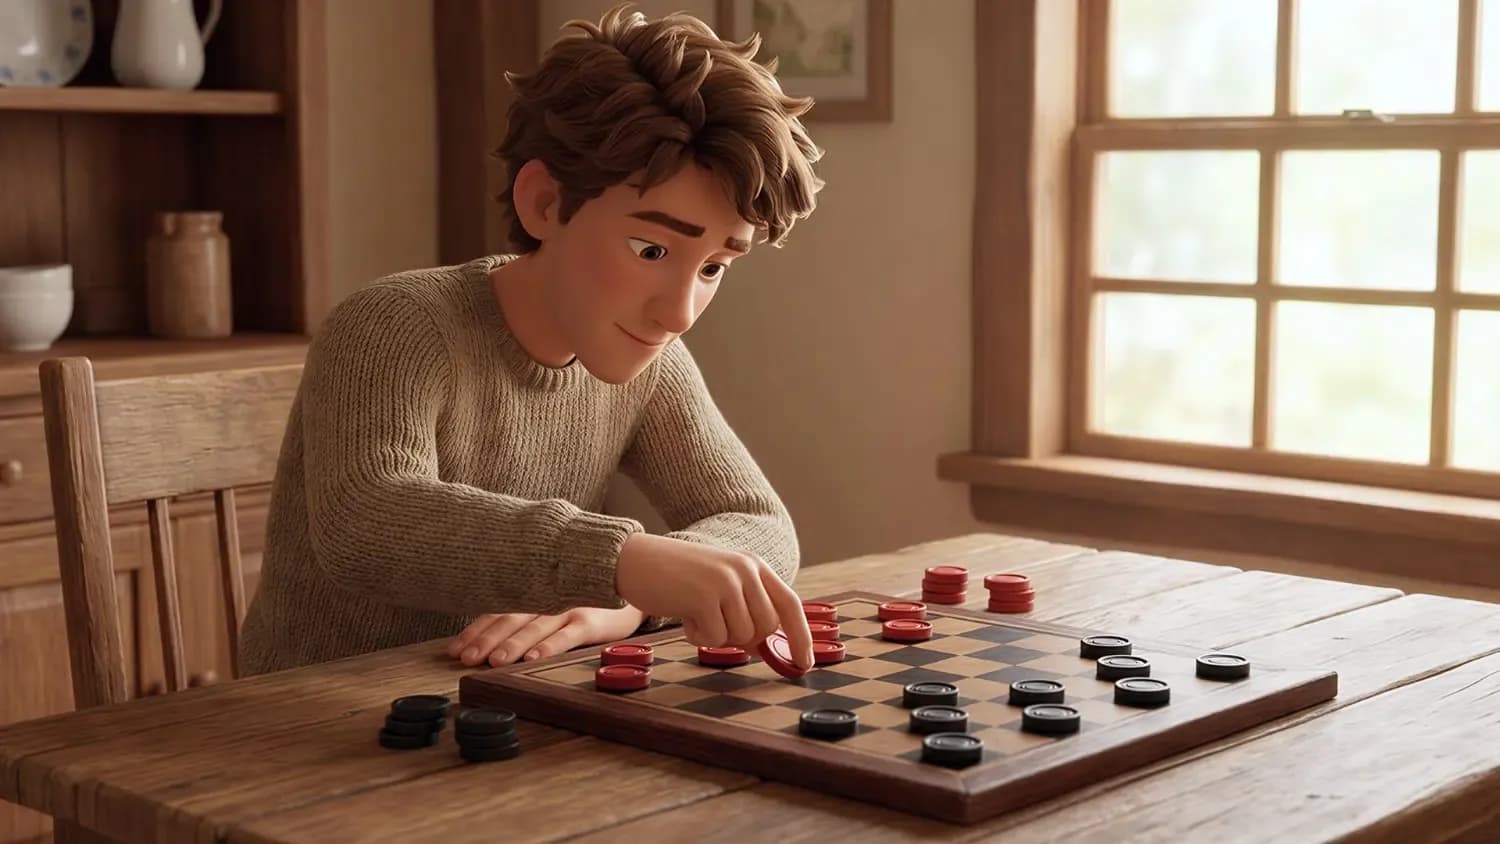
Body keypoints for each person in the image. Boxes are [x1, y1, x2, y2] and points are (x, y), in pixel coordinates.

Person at [236, 3, 825, 676]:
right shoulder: (392, 324)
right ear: (545, 203)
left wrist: (626, 605)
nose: (680, 313)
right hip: (312, 714)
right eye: (651, 250)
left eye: (714, 267)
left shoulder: (654, 364)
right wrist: (619, 563)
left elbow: (758, 521)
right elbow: (366, 521)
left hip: (510, 703)